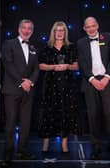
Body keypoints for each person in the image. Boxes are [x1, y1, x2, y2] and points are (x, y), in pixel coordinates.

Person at [1, 19, 39, 167]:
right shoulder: (8, 44)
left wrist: (30, 82)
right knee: (10, 123)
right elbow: (8, 65)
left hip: (28, 90)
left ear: (32, 31)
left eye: (29, 28)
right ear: (18, 29)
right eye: (24, 28)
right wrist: (22, 81)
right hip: (12, 90)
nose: (26, 30)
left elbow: (36, 68)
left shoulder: (34, 47)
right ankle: (8, 154)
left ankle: (22, 150)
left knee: (26, 123)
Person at [38, 21, 78, 155]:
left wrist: (67, 66)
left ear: (65, 32)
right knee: (49, 113)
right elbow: (41, 65)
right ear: (53, 32)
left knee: (65, 113)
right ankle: (45, 143)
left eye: (62, 30)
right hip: (50, 85)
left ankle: (64, 144)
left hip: (67, 86)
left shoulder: (71, 47)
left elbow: (77, 66)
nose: (60, 33)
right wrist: (53, 67)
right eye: (57, 30)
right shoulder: (47, 47)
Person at [77, 16, 110, 160]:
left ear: (97, 25)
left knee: (109, 114)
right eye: (88, 27)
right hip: (90, 83)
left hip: (108, 80)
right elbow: (82, 64)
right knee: (93, 116)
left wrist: (107, 77)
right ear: (84, 28)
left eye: (93, 26)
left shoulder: (107, 37)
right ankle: (96, 147)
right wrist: (92, 79)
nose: (91, 29)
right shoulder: (80, 42)